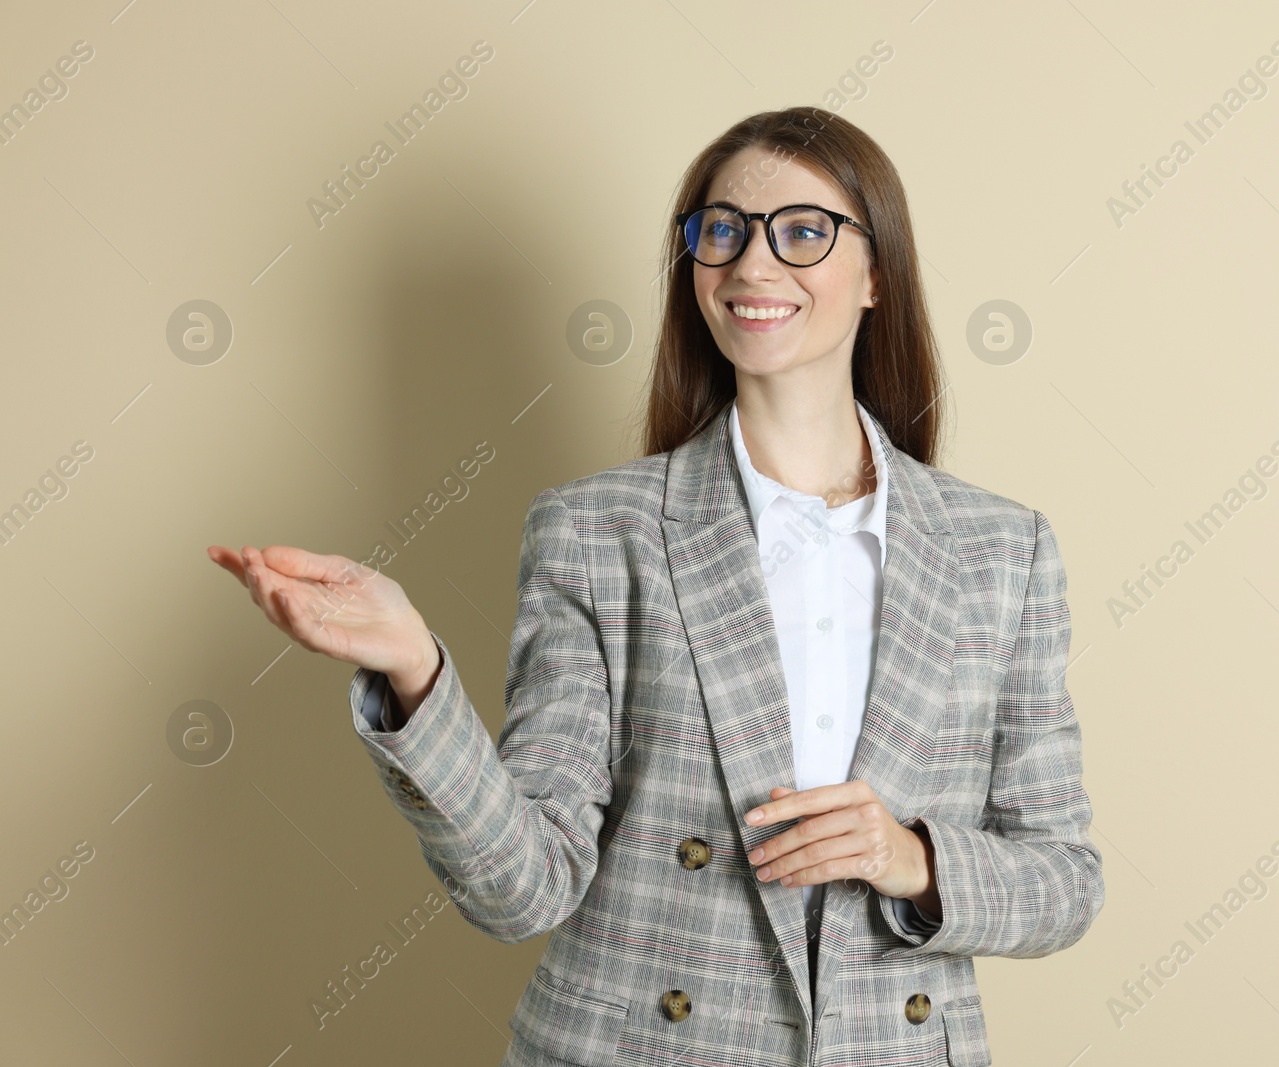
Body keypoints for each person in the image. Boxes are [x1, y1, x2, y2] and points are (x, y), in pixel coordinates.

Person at [208, 105, 1103, 1067]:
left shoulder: (1003, 550)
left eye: (803, 232)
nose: (754, 266)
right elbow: (525, 887)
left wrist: (908, 857)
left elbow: (1064, 879)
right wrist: (416, 671)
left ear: (877, 271)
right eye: (723, 230)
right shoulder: (598, 531)